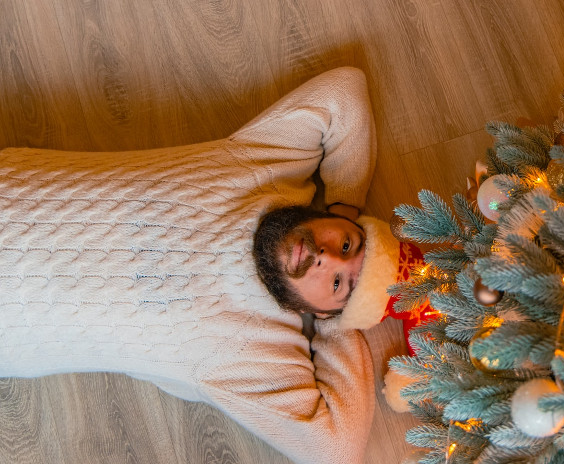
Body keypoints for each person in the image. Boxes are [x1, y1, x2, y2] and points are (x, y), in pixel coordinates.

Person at [0, 67, 383, 464]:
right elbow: (344, 90)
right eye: (347, 242)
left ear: (318, 311)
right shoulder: (269, 170)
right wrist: (345, 202)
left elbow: (337, 450)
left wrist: (340, 321)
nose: (328, 257)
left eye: (339, 282)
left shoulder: (254, 355)